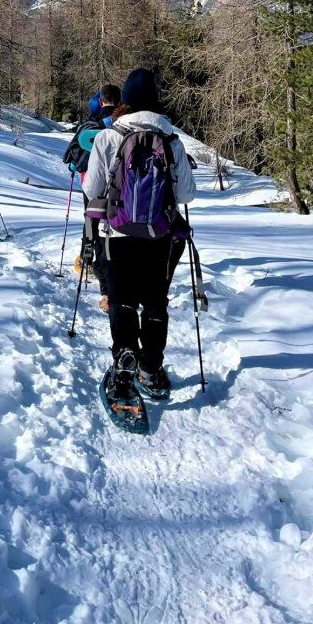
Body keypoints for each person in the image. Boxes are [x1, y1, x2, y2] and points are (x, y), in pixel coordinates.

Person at [82, 68, 196, 402]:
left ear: (125, 101)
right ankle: (151, 368)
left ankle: (124, 358)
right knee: (156, 301)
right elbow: (187, 195)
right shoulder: (171, 140)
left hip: (116, 233)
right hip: (159, 237)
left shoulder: (109, 137)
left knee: (122, 299)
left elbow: (92, 188)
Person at [63, 83, 121, 309]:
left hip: (91, 183)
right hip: (121, 185)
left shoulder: (90, 124)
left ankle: (88, 260)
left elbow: (71, 155)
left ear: (101, 101)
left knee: (92, 223)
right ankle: (113, 267)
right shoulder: (124, 122)